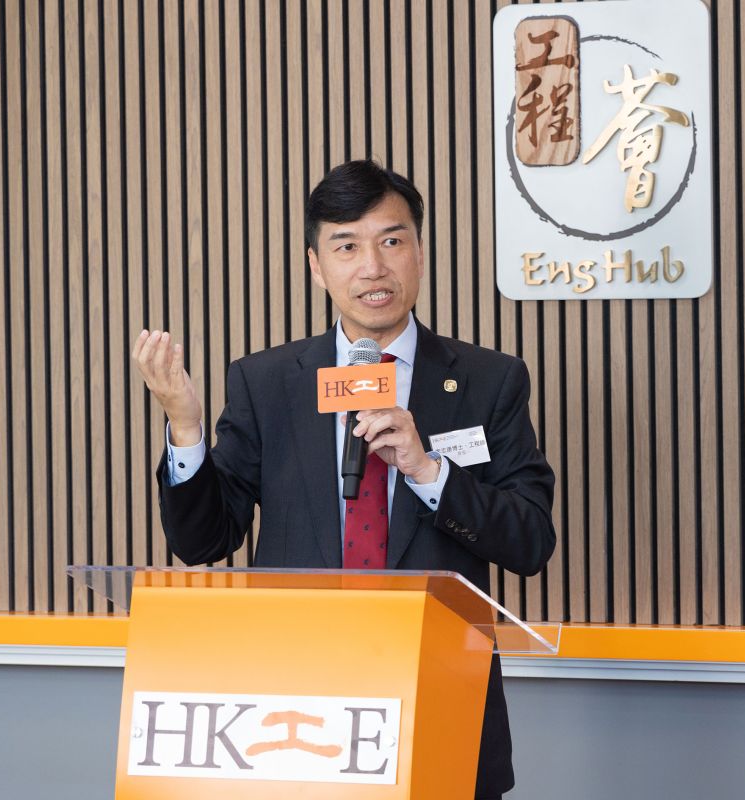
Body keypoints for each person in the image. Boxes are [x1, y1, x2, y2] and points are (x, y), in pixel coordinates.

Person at [131, 159, 556, 799]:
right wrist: (185, 427)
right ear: (316, 265)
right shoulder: (267, 383)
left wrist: (428, 471)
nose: (373, 267)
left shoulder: (487, 380)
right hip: (297, 707)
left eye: (391, 240)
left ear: (419, 253)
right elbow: (203, 541)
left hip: (441, 697)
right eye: (347, 246)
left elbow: (531, 542)